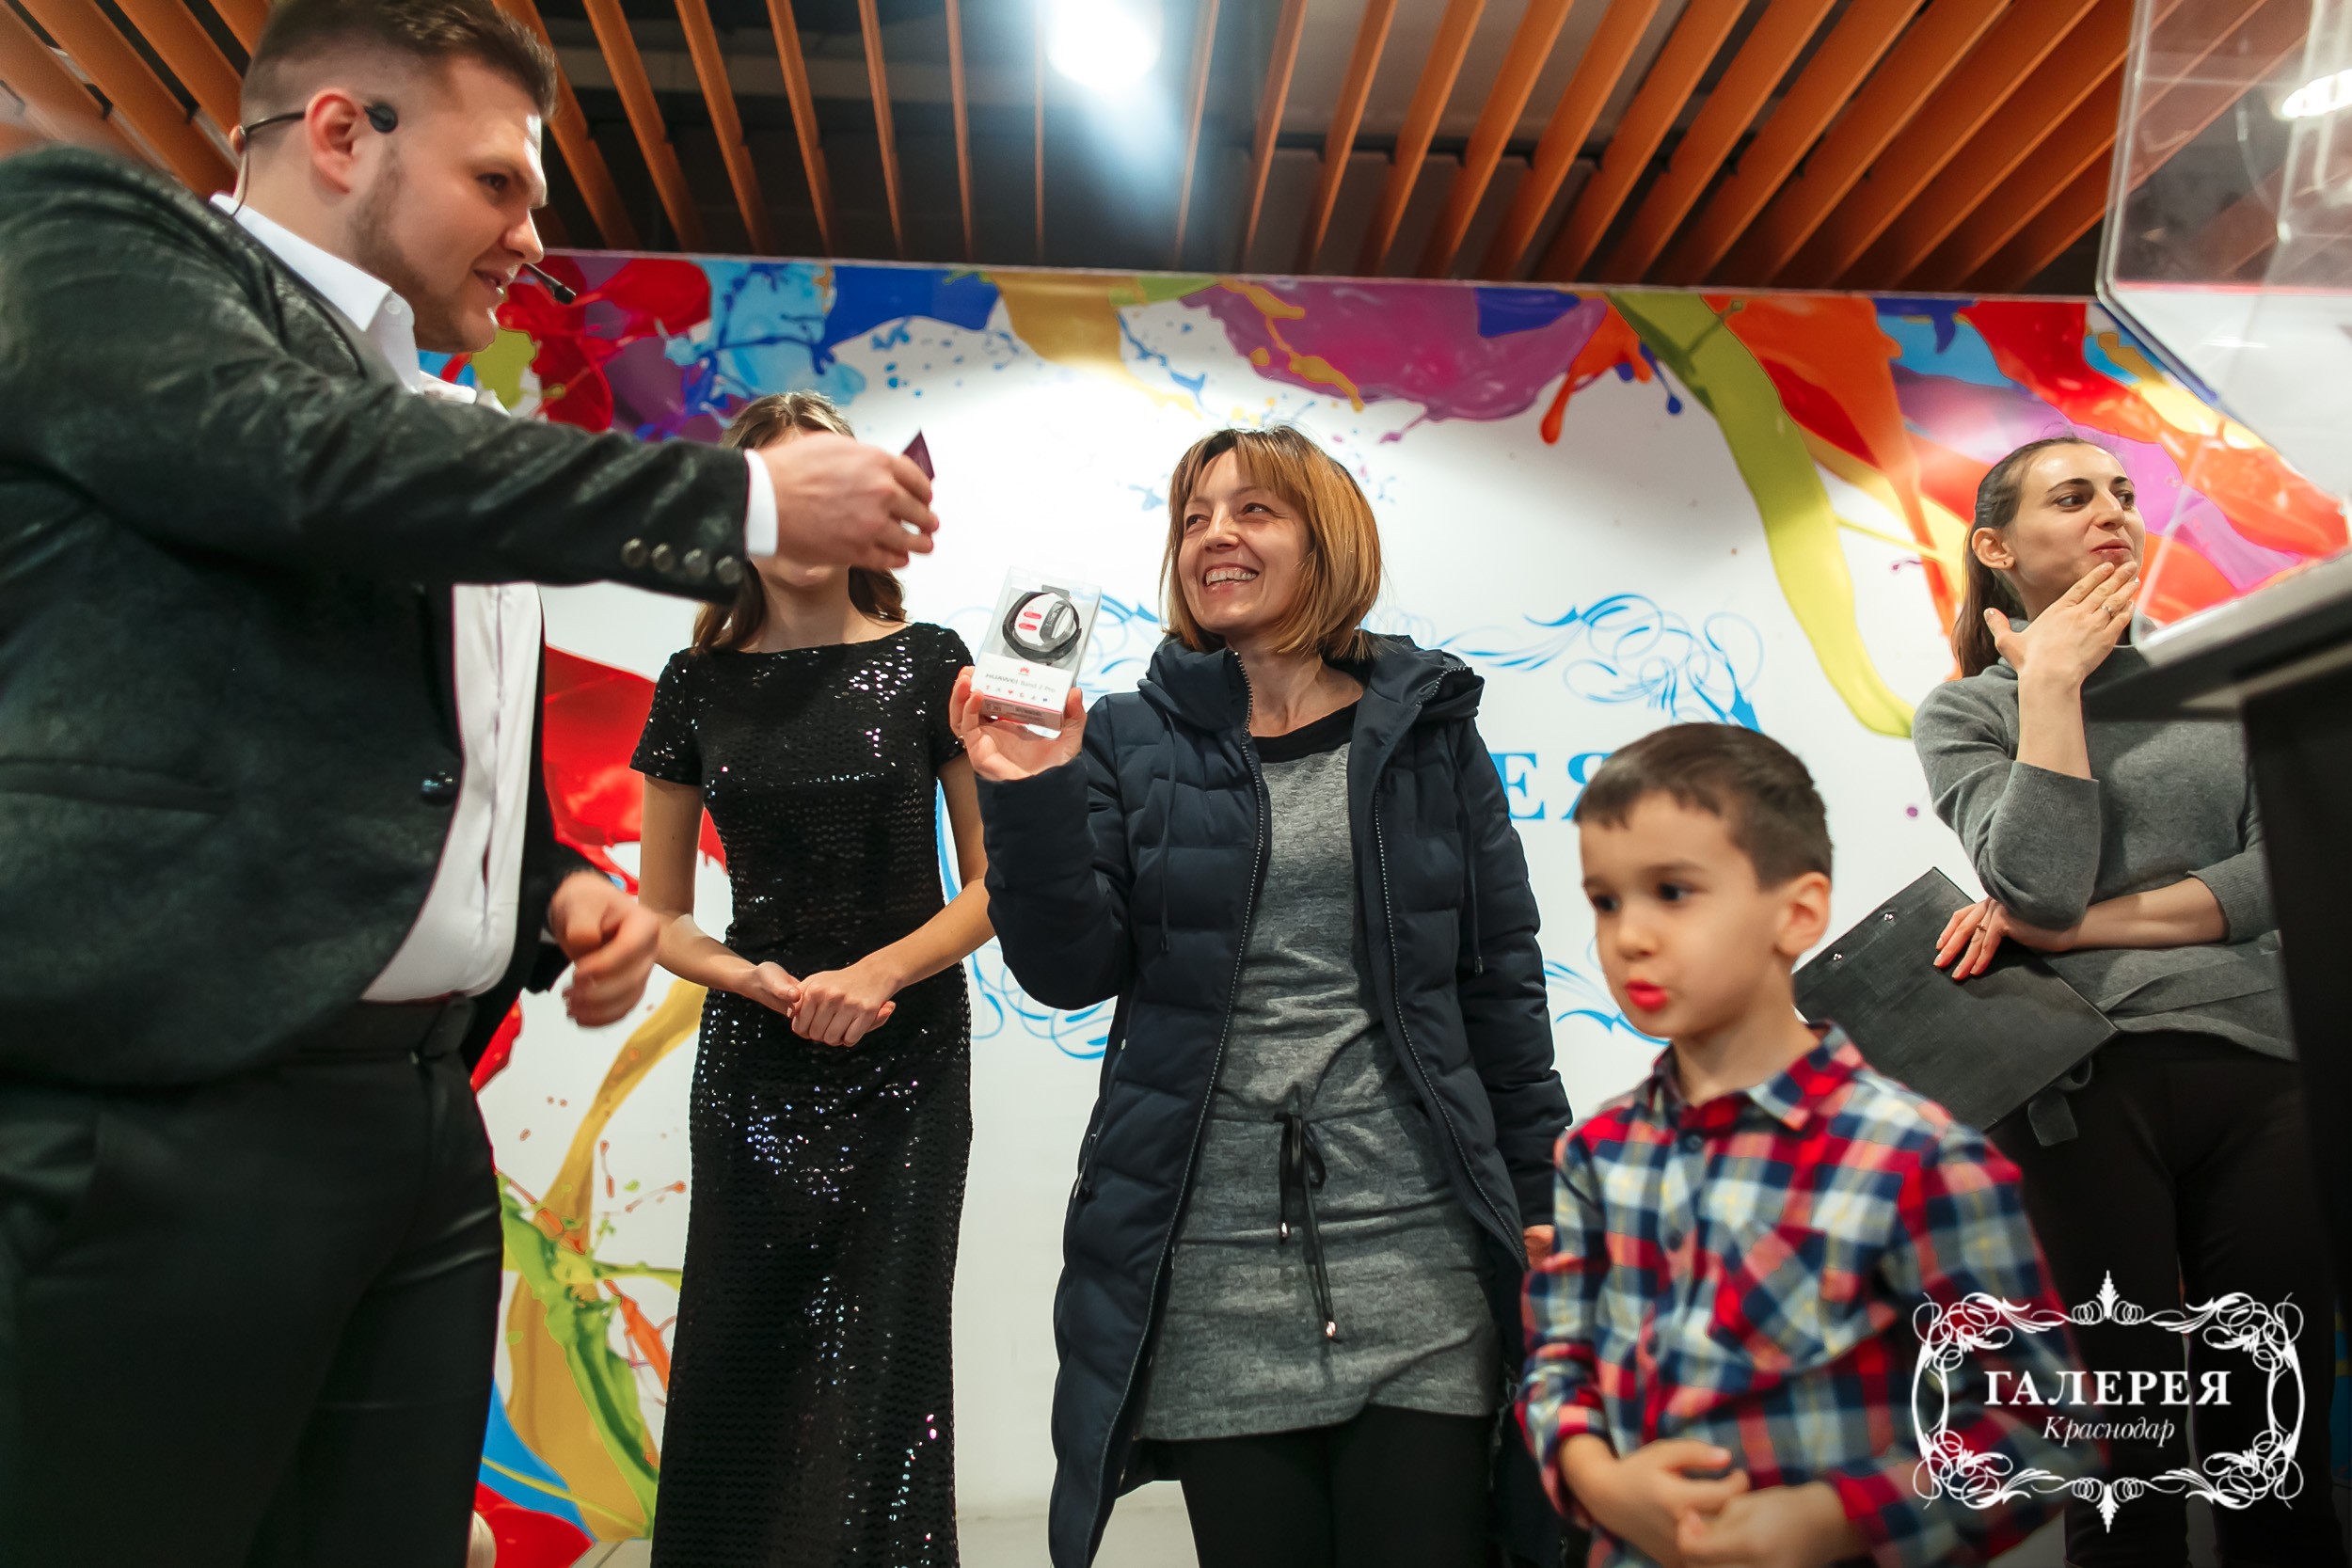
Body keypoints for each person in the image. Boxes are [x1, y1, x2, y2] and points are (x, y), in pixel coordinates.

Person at [0, 1, 938, 1562]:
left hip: (421, 1121)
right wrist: (743, 496)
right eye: (498, 182)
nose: (532, 234)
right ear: (339, 133)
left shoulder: (434, 428)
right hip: (160, 1106)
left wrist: (552, 890)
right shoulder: (93, 236)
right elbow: (292, 460)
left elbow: (404, 752)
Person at [952, 425, 1571, 1568]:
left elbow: (1500, 987)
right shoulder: (1125, 737)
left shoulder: (1427, 729)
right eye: (1193, 517)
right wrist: (1027, 794)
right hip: (1213, 1266)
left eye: (1252, 510)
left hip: (1418, 1255)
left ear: (1324, 539)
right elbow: (1067, 970)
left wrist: (1543, 1196)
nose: (1214, 536)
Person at [1912, 436, 2347, 1567]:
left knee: (2273, 1450)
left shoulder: (2222, 683)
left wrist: (2072, 929)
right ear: (1996, 546)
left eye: (2120, 493)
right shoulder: (1966, 710)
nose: (2111, 511)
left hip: (2263, 1070)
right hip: (2079, 1088)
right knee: (2123, 1464)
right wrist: (2049, 684)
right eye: (2073, 497)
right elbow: (2036, 877)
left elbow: (2278, 876)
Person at [1524, 723, 2088, 1568]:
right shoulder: (1596, 1158)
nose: (1629, 934)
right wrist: (1601, 1482)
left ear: (1797, 912)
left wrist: (1832, 1518)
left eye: (1673, 892)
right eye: (1606, 901)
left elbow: (2039, 1427)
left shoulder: (1918, 1158)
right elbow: (1560, 1364)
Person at [630, 391, 991, 1566]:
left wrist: (875, 973)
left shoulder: (932, 661)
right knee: (741, 1360)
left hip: (906, 1061)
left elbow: (997, 883)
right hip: (755, 1064)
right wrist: (755, 981)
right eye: (774, 493)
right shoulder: (693, 684)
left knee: (886, 1373)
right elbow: (660, 916)